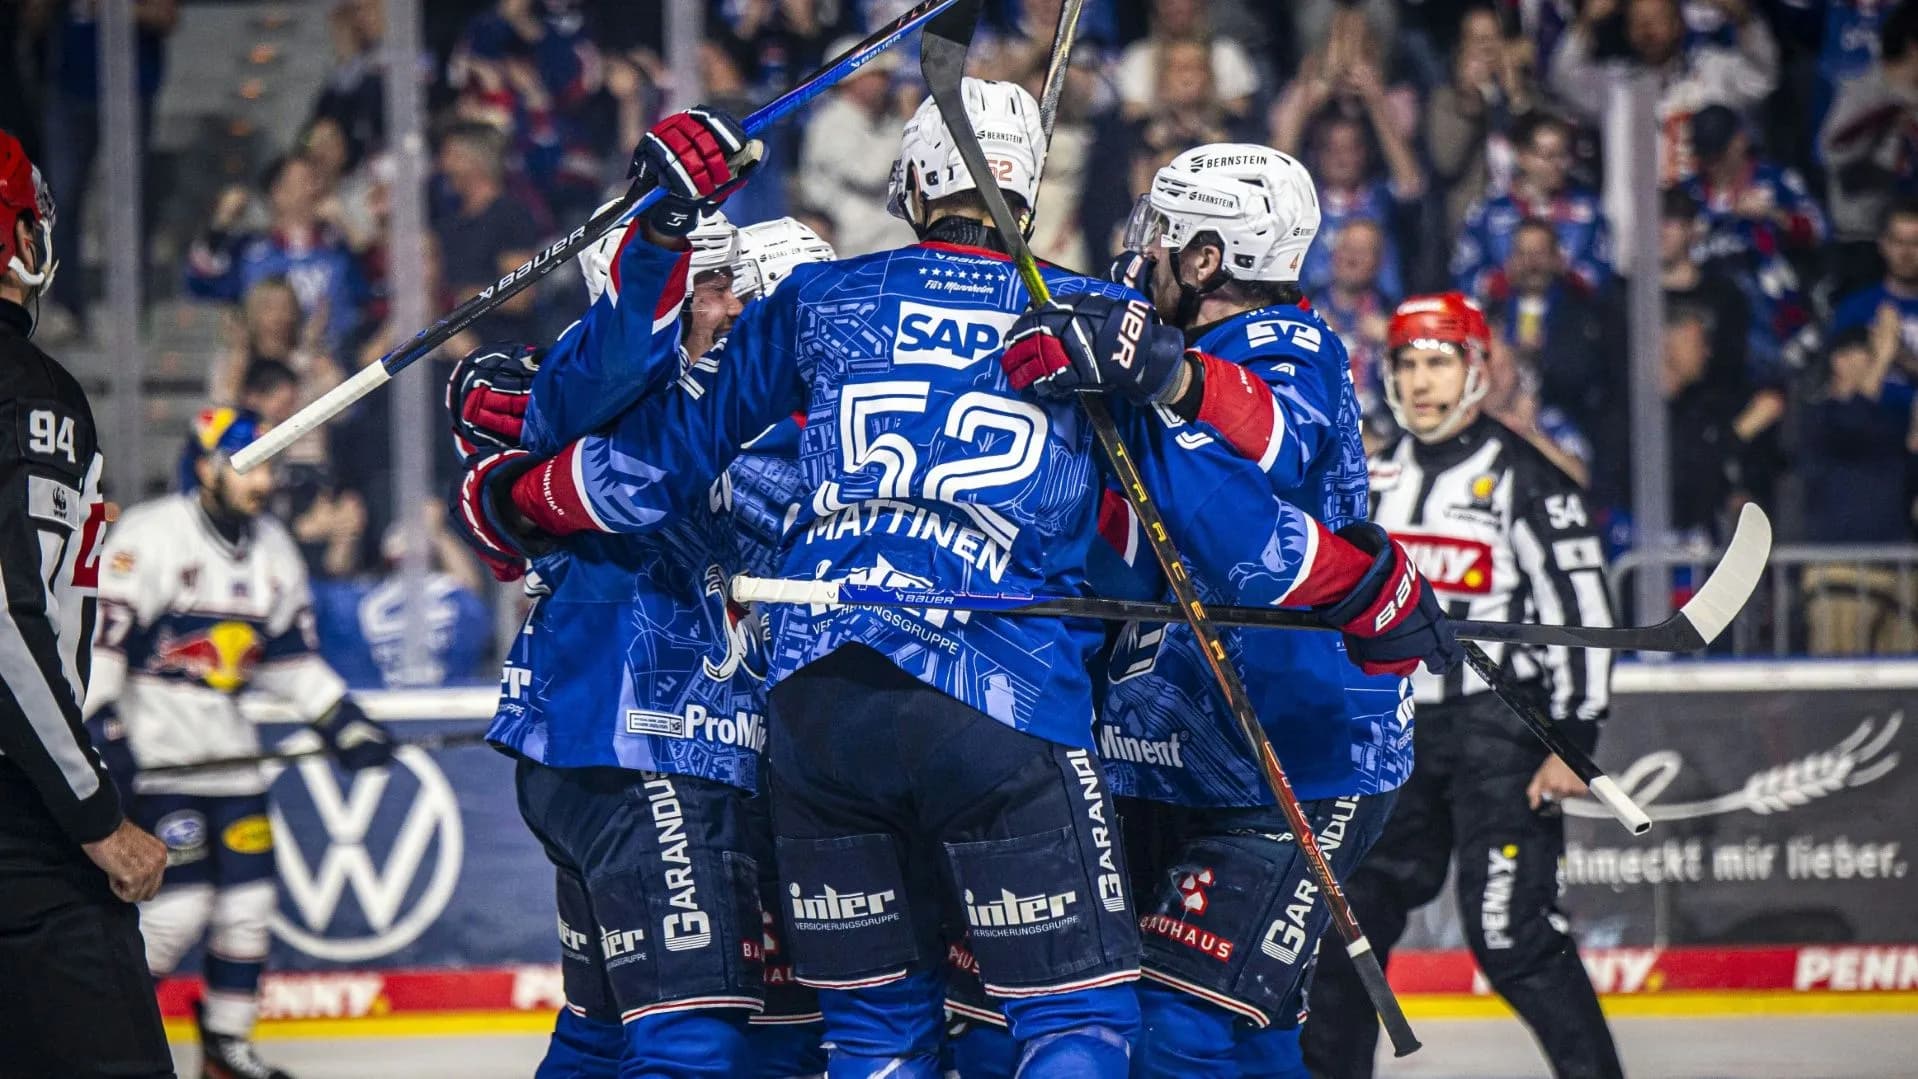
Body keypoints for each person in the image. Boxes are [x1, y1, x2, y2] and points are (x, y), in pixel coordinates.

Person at [452, 87, 1454, 1079]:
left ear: (910, 183)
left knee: (880, 1033)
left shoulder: (824, 298)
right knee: (1077, 1021)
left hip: (820, 708)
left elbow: (653, 463)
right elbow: (1219, 535)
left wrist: (520, 476)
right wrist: (1356, 581)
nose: (723, 304)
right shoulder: (1088, 316)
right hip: (1000, 696)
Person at [1047, 143, 1459, 1078]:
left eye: (1163, 234)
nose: (1140, 250)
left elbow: (1272, 451)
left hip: (1300, 757)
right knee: (1249, 1028)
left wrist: (1164, 372)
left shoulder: (1287, 344)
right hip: (1169, 749)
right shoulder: (1155, 349)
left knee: (1178, 1031)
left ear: (1207, 259)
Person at [444, 201, 832, 1076]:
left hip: (650, 750)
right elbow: (611, 367)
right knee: (692, 1038)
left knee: (605, 1032)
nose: (737, 311)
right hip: (647, 749)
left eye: (743, 290)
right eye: (718, 287)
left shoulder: (728, 408)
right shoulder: (643, 395)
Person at [1303, 292, 1623, 1079]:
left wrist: (1575, 739)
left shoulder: (1528, 478)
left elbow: (1583, 610)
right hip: (1389, 735)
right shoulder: (1369, 476)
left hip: (1498, 735)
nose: (1420, 381)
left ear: (1476, 369)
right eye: (1407, 362)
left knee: (1512, 935)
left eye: (1438, 362)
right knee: (1345, 931)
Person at [82, 408, 397, 1079]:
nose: (263, 480)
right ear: (205, 467)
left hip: (232, 764)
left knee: (249, 910)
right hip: (161, 764)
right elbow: (102, 646)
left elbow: (288, 660)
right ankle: (93, 1037)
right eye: (247, 464)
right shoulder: (151, 535)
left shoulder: (274, 548)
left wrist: (341, 718)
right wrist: (101, 726)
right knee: (176, 912)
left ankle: (226, 1050)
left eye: (269, 464)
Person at [0, 127, 173, 1079]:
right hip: (25, 838)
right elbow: (6, 627)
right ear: (19, 239)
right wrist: (95, 815)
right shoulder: (31, 393)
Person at [1452, 113, 1612, 298]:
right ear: (1523, 156)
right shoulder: (1489, 211)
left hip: (1569, 312)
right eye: (1549, 156)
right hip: (1504, 312)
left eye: (1564, 155)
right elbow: (1463, 277)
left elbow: (1603, 274)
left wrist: (1563, 273)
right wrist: (1504, 279)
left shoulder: (1588, 209)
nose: (1559, 164)